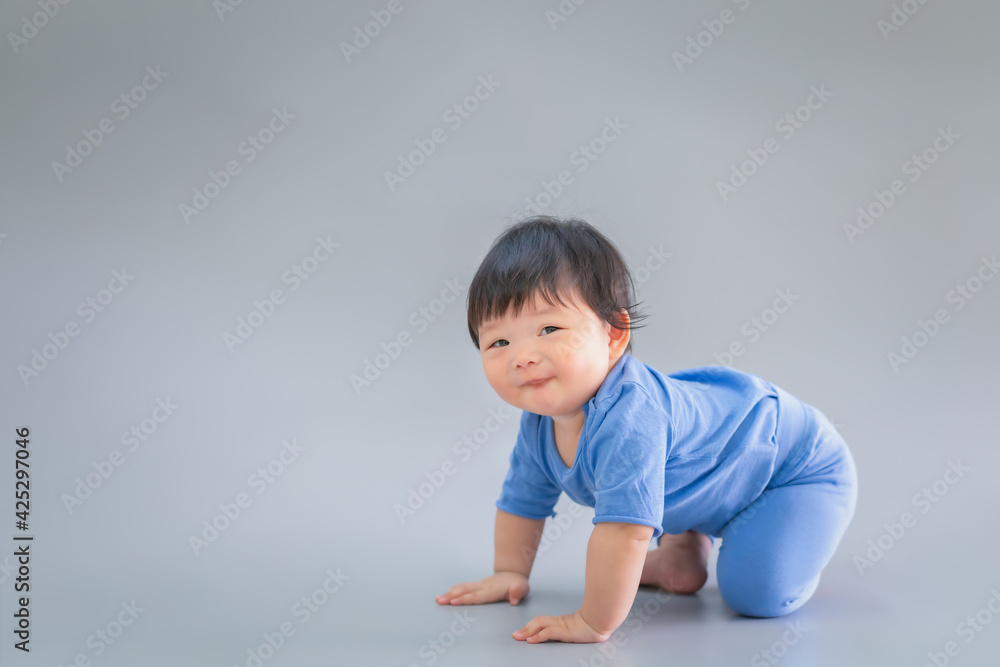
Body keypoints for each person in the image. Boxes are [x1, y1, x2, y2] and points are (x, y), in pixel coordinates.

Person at [435, 216, 858, 644]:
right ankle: (682, 551)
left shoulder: (630, 420)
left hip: (794, 468)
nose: (521, 357)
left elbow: (624, 530)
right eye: (498, 343)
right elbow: (522, 499)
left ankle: (784, 546)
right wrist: (509, 572)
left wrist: (593, 620)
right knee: (675, 478)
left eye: (549, 329)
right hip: (719, 463)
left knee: (756, 594)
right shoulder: (540, 422)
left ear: (614, 335)